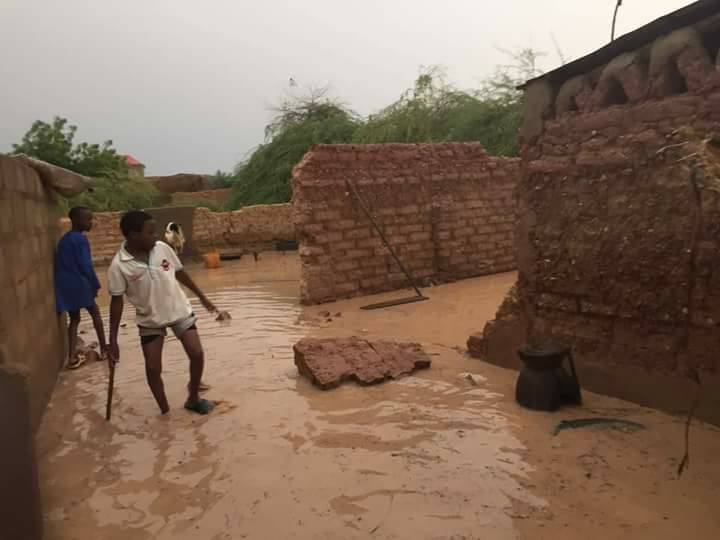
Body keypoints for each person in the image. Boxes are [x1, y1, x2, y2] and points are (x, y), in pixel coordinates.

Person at [107, 210, 216, 415]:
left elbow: (180, 273)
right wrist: (112, 340)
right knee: (152, 368)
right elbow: (116, 303)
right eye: (150, 232)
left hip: (178, 310)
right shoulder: (119, 265)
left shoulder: (162, 249)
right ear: (133, 235)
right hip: (150, 319)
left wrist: (202, 297)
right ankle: (165, 413)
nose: (156, 236)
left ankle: (193, 398)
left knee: (197, 353)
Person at [55, 206, 107, 369]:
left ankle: (71, 357)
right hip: (79, 283)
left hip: (65, 285)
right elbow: (86, 266)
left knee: (75, 318)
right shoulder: (80, 239)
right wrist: (95, 284)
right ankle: (105, 349)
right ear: (76, 220)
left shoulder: (65, 239)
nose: (90, 222)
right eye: (88, 219)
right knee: (95, 313)